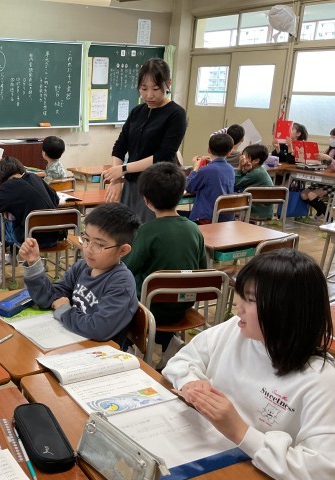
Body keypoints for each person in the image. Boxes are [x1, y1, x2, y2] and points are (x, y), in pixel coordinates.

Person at [163, 250, 335, 479]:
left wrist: (240, 431)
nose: (238, 307)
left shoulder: (321, 380)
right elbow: (182, 360)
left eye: (251, 300)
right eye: (241, 296)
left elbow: (322, 471)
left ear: (286, 309)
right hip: (204, 447)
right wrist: (190, 383)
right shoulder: (236, 330)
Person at [19, 203, 140, 348]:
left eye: (99, 245)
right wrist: (34, 263)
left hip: (99, 353)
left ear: (123, 250)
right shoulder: (82, 267)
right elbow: (50, 299)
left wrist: (64, 311)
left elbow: (98, 329)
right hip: (72, 340)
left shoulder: (121, 283)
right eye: (86, 239)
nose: (88, 249)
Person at [123, 163, 207, 368]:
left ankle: (131, 348)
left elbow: (128, 267)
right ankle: (168, 344)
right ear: (181, 195)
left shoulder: (147, 230)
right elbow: (202, 270)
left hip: (150, 309)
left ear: (146, 200)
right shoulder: (194, 229)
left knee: (122, 285)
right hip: (183, 306)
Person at [103, 58, 187, 223]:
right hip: (132, 183)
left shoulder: (176, 114)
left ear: (168, 84)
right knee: (127, 230)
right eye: (143, 89)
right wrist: (117, 178)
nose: (149, 95)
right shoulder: (137, 111)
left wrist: (123, 169)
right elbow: (120, 145)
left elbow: (163, 155)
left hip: (157, 186)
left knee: (147, 230)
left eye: (155, 89)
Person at [0, 156, 60, 247]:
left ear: (0, 175)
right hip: (55, 236)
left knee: (0, 222)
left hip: (30, 240)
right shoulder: (34, 177)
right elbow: (56, 199)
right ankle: (12, 253)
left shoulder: (9, 186)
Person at [185, 133, 235, 224]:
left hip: (206, 218)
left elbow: (189, 187)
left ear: (208, 150)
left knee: (178, 215)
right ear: (230, 151)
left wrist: (195, 168)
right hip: (225, 218)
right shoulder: (231, 169)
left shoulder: (206, 170)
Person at [300, 126, 335, 220]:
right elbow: (321, 163)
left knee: (311, 195)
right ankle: (320, 212)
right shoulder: (329, 149)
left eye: (334, 137)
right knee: (304, 195)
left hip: (334, 183)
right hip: (324, 180)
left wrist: (329, 159)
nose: (331, 139)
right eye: (331, 136)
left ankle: (329, 218)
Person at [234, 144, 274, 220]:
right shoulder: (259, 170)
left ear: (256, 161)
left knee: (226, 209)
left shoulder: (257, 173)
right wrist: (245, 171)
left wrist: (239, 168)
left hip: (257, 211)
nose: (242, 160)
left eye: (245, 157)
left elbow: (235, 183)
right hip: (263, 210)